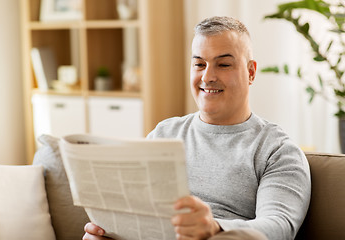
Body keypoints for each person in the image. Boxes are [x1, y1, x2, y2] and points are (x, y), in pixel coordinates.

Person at [83, 16, 311, 240]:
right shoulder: (163, 134)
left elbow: (279, 226)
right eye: (199, 64)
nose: (207, 76)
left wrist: (214, 228)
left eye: (223, 64)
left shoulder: (277, 150)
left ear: (250, 72)